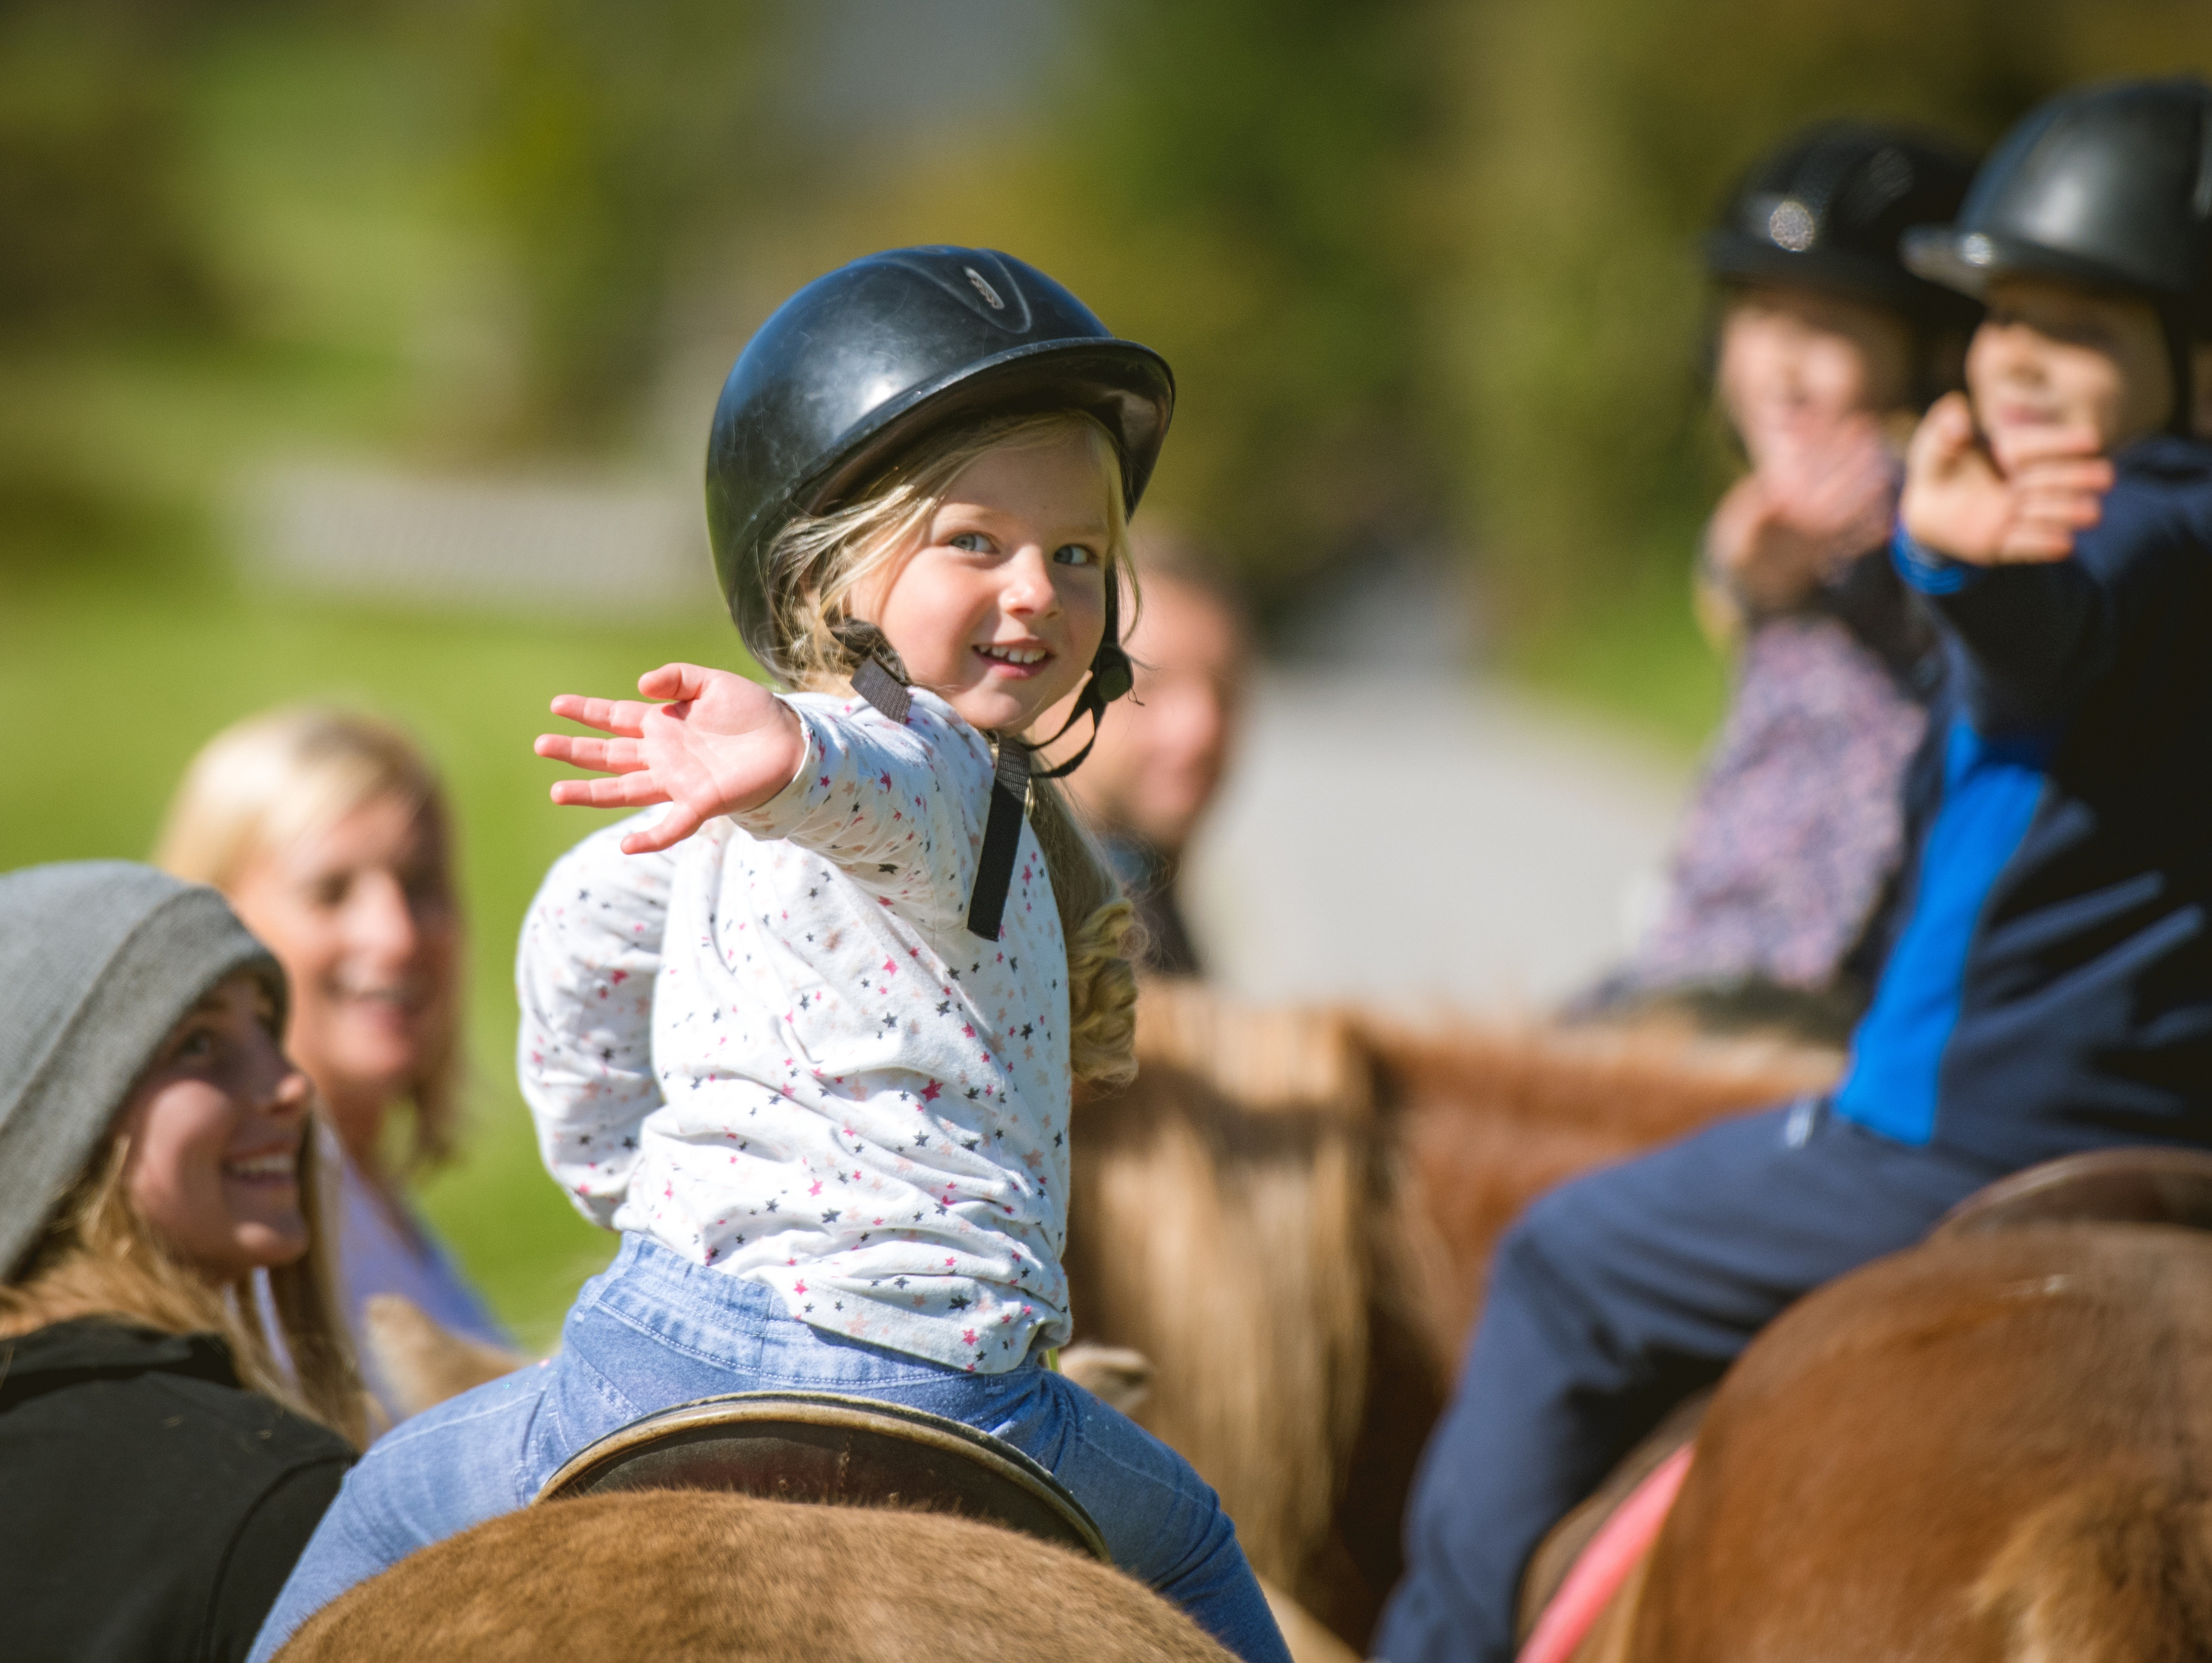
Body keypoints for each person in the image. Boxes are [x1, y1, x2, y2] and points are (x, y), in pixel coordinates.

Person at [1375, 79, 2212, 1663]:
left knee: (1558, 1265)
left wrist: (1954, 558)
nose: (2012, 351)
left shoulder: (2099, 530)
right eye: (1997, 313)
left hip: (1953, 1140)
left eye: (2077, 324)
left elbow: (2048, 637)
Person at [251, 248, 1289, 1663]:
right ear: (821, 566)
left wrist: (627, 1176)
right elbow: (880, 773)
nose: (1036, 591)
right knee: (1193, 1546)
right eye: (973, 543)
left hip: (660, 1352)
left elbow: (575, 950)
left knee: (381, 1511)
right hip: (965, 1394)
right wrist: (793, 749)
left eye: (1077, 556)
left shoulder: (723, 815)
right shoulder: (936, 782)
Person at [1575, 122, 1979, 1038]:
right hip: (1719, 962)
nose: (1782, 369)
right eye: (1760, 317)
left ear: (1936, 350)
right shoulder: (1781, 511)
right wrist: (1742, 573)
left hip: (1804, 988)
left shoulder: (1915, 492)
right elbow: (1738, 574)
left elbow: (1910, 534)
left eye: (1830, 326)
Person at [0, 861, 365, 1662]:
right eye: (198, 1044)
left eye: (267, 1029)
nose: (289, 1085)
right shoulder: (269, 1502)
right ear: (56, 1124)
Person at [156, 708, 510, 1414]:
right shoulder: (244, 1218)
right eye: (330, 892)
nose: (396, 935)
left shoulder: (361, 1186)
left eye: (420, 885)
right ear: (217, 925)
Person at [1056, 528, 1252, 976]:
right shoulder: (1023, 918)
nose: (1203, 728)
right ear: (1052, 688)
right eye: (1148, 686)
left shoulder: (1150, 899)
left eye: (1226, 689)